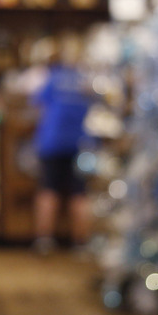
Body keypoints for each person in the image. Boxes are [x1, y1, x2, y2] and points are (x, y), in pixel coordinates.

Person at [31, 40, 93, 255]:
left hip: (52, 143)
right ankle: (81, 243)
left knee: (48, 190)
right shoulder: (85, 81)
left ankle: (44, 240)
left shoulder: (53, 79)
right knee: (79, 193)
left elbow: (36, 103)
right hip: (80, 143)